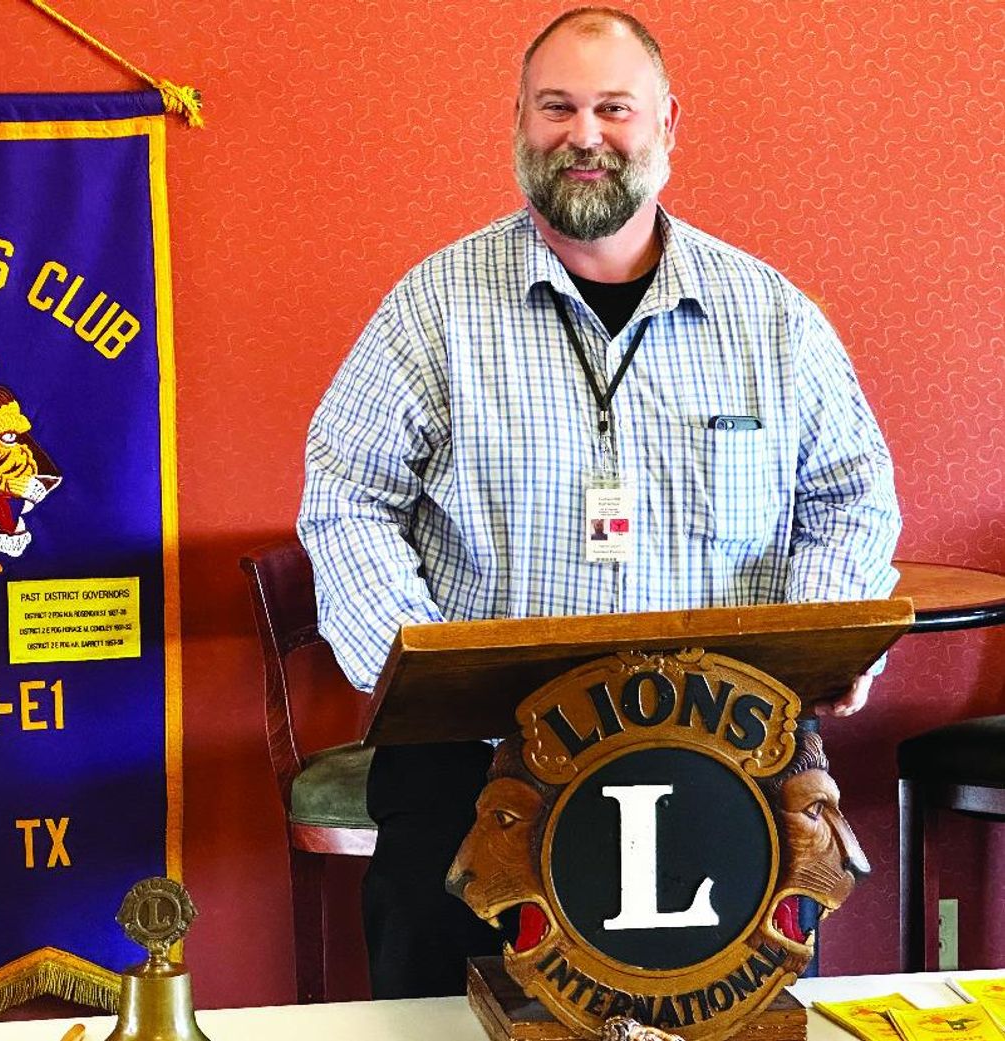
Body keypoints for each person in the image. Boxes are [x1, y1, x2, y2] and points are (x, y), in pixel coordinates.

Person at [297, 6, 900, 999]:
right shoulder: (432, 308)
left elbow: (853, 498)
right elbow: (347, 501)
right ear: (519, 122)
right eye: (558, 107)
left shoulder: (772, 317)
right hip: (479, 775)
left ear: (667, 124)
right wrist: (425, 677)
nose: (584, 135)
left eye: (614, 108)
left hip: (726, 763)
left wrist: (805, 655)